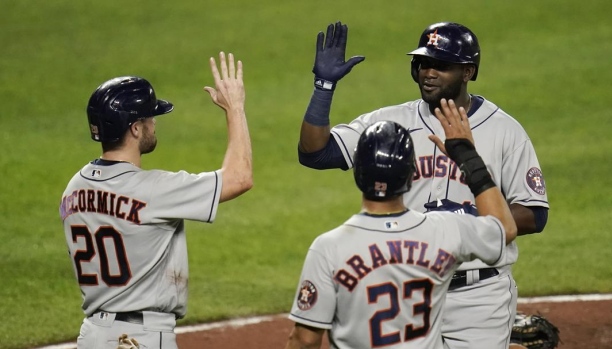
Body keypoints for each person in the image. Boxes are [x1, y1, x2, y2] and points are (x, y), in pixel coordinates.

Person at [297, 22, 549, 348]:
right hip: (410, 289)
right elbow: (316, 153)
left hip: (478, 295)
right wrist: (323, 87)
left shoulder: (504, 130)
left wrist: (464, 223)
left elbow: (533, 213)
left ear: (468, 71)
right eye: (422, 63)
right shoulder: (390, 123)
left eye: (441, 66)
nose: (428, 73)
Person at [59, 52, 252, 349]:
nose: (154, 124)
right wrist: (235, 108)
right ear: (135, 128)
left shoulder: (74, 188)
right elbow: (240, 177)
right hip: (139, 339)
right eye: (150, 118)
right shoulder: (153, 190)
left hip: (93, 336)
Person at [285, 109, 518, 348]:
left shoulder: (329, 248)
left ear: (358, 174)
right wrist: (468, 158)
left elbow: (304, 340)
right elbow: (504, 228)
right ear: (411, 175)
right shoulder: (446, 231)